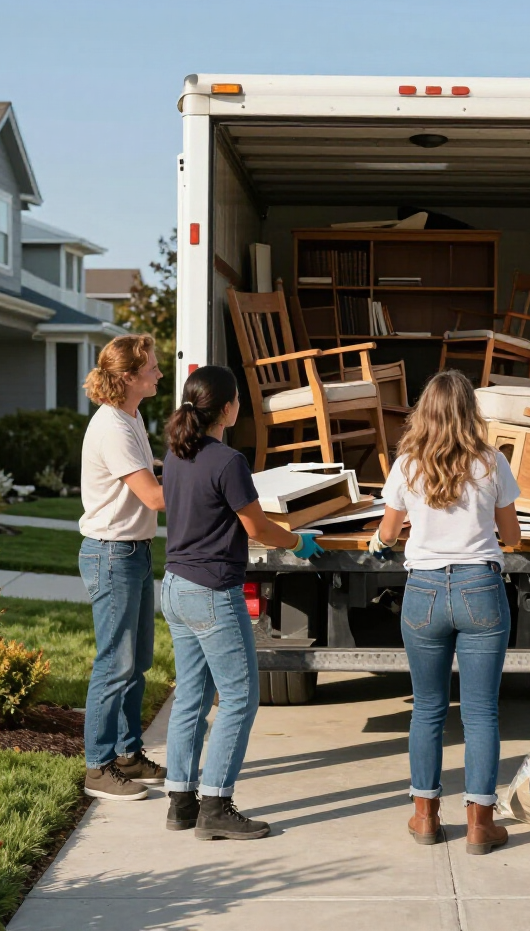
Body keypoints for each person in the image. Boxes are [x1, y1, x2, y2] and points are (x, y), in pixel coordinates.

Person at [160, 365, 324, 841]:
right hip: (212, 591)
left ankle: (181, 802)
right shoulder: (228, 462)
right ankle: (216, 806)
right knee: (239, 697)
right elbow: (256, 528)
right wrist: (296, 542)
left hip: (174, 586)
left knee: (191, 695)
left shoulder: (176, 453)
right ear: (228, 409)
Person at [370, 369, 521, 855]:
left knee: (428, 709)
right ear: (469, 412)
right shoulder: (491, 462)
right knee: (481, 713)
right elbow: (512, 536)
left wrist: (378, 541)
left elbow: (389, 533)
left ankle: (425, 817)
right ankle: (480, 824)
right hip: (480, 587)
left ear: (424, 413)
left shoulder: (407, 465)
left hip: (424, 592)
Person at [79, 334, 168, 801]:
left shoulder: (131, 416)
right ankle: (98, 766)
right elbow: (154, 496)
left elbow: (148, 470)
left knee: (137, 664)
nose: (157, 373)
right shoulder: (112, 426)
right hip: (112, 554)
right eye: (151, 368)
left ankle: (128, 754)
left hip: (133, 551)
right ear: (129, 377)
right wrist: (204, 484)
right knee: (115, 664)